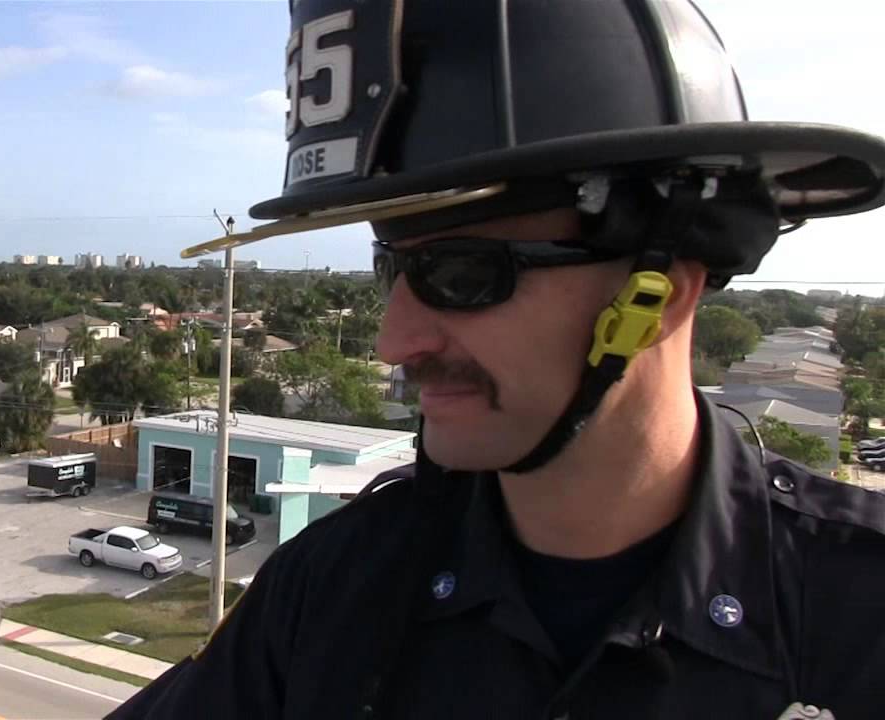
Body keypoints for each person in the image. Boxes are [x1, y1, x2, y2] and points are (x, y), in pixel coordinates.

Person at [109, 1, 885, 717]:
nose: (394, 343)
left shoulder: (856, 610)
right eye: (392, 270)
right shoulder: (339, 584)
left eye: (462, 274)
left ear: (662, 290)